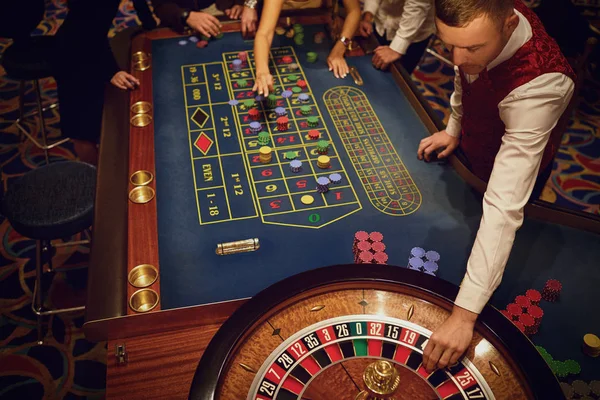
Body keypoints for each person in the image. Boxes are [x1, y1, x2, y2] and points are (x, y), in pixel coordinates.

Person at [417, 0, 575, 371]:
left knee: (501, 213)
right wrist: (454, 127)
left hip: (519, 170)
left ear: (509, 24)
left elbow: (504, 207)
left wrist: (463, 315)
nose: (457, 58)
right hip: (475, 148)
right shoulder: (478, 29)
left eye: (472, 48)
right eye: (448, 44)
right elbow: (464, 76)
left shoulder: (541, 86)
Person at [53, 0, 139, 164]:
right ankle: (98, 182)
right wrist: (111, 71)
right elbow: (86, 30)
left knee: (100, 117)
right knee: (82, 134)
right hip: (73, 55)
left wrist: (149, 30)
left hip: (94, 43)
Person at [252, 0, 361, 96]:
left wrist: (340, 48)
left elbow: (354, 11)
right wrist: (262, 71)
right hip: (284, 36)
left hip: (322, 38)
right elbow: (264, 34)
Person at [358, 0, 435, 74]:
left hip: (412, 35)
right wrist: (368, 17)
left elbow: (417, 8)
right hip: (381, 23)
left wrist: (397, 48)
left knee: (397, 81)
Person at [151, 0, 245, 37]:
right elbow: (160, 7)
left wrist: (241, 3)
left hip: (221, 11)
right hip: (179, 17)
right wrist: (186, 15)